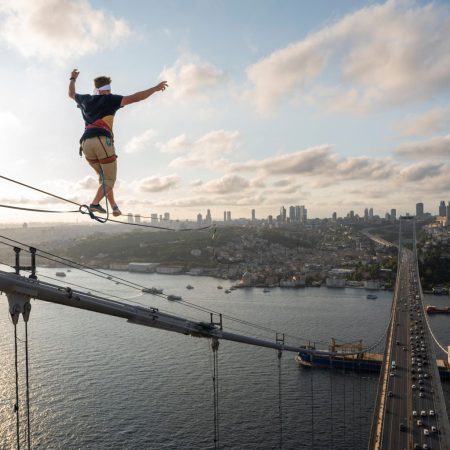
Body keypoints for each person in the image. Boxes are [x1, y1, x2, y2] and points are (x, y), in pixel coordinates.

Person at [68, 69, 168, 216]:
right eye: (108, 89)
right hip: (102, 141)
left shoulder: (85, 99)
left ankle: (114, 206)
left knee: (104, 178)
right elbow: (136, 97)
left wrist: (72, 78)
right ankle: (94, 204)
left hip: (85, 144)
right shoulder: (110, 99)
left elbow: (71, 94)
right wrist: (155, 88)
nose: (109, 92)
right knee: (109, 179)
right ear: (104, 90)